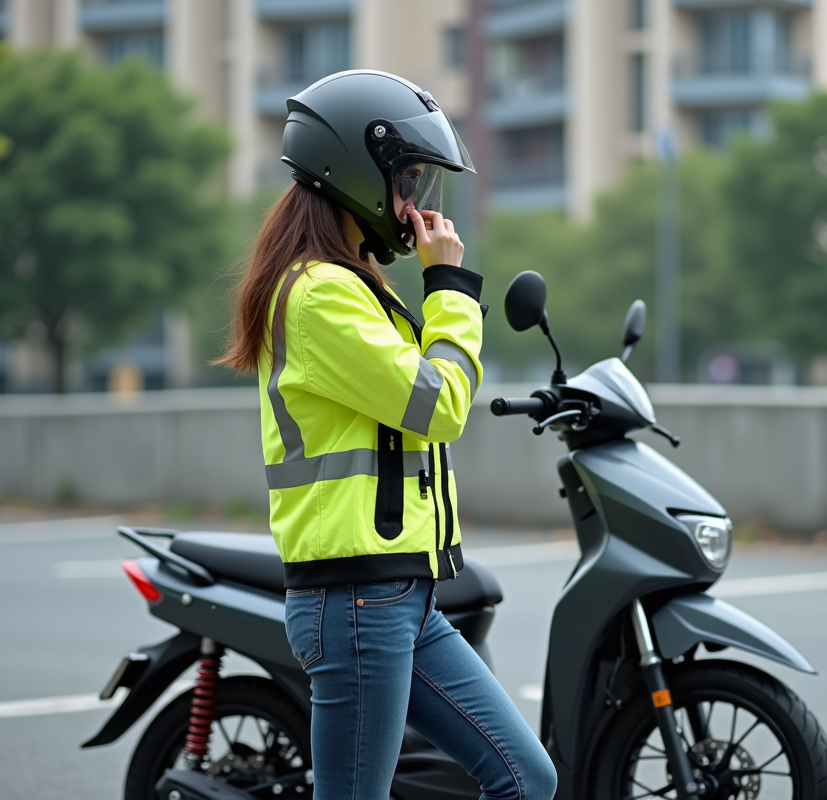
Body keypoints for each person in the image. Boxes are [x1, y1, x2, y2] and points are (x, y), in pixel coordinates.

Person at [216, 70, 558, 800]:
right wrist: (450, 288)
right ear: (355, 171)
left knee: (527, 778)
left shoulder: (353, 285)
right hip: (356, 599)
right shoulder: (318, 296)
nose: (412, 206)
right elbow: (437, 404)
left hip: (402, 594)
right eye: (405, 181)